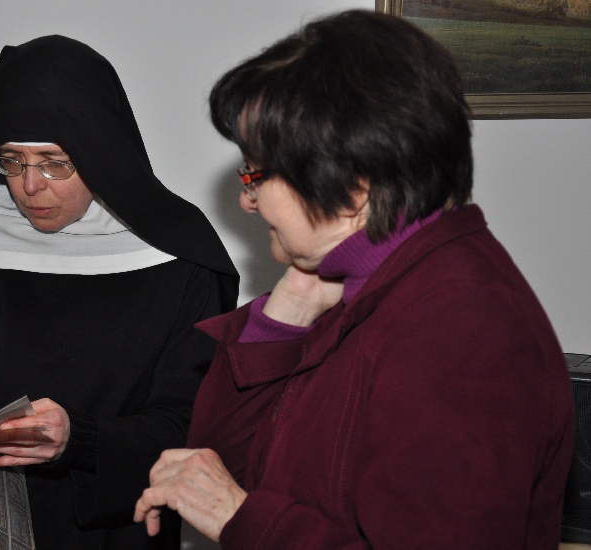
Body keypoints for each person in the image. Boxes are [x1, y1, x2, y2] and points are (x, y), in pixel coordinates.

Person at [134, 10, 574, 548]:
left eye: (256, 173)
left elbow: (236, 504)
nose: (248, 200)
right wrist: (287, 314)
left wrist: (241, 518)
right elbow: (223, 465)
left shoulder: (462, 329)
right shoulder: (371, 284)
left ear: (353, 186)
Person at [0, 35, 238, 549]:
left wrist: (79, 440)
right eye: (11, 160)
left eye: (55, 162)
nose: (30, 186)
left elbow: (191, 426)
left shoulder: (179, 261)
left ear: (102, 152)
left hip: (99, 534)